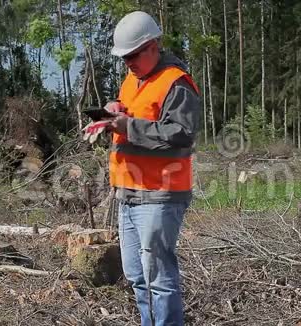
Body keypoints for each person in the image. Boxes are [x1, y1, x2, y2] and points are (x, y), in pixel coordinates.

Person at [105, 11, 200, 326]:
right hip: (129, 193)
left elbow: (180, 133)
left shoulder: (176, 82)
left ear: (152, 46)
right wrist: (114, 111)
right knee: (138, 277)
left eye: (132, 55)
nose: (128, 62)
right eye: (124, 58)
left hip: (160, 194)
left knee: (158, 278)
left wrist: (128, 125)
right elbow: (135, 116)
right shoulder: (132, 79)